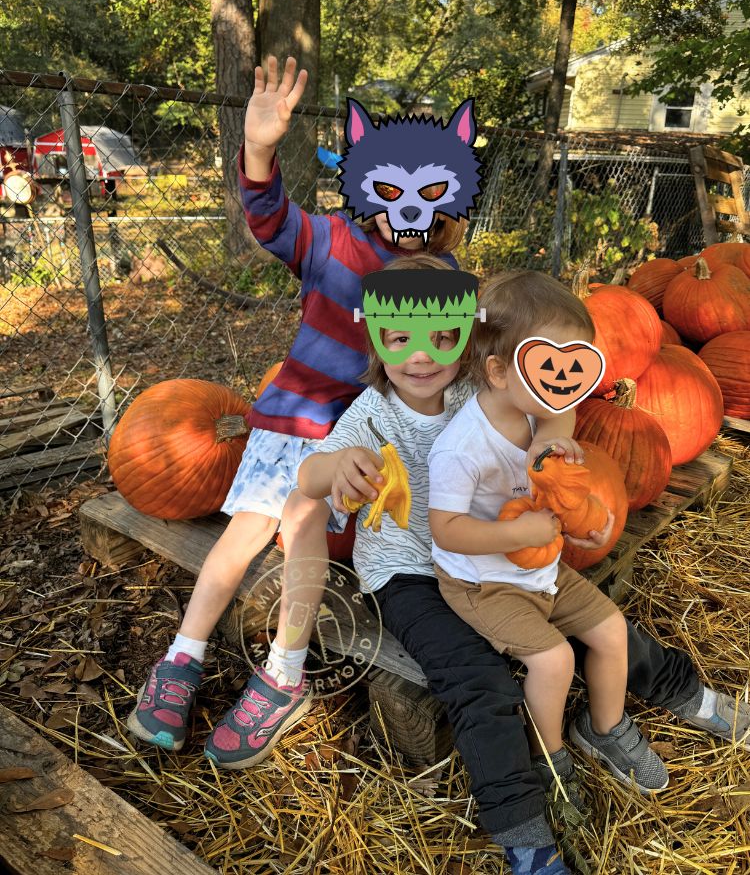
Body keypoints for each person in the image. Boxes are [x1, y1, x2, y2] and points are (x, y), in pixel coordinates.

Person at [295, 257, 749, 875]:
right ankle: (526, 832)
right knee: (478, 680)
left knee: (599, 622)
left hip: (504, 555)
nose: (423, 356)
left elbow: (553, 401)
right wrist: (339, 467)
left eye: (444, 337)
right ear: (376, 337)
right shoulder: (370, 416)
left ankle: (679, 691)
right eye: (401, 338)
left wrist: (547, 440)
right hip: (410, 573)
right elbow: (310, 474)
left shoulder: (477, 388)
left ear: (472, 340)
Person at [126, 56, 468, 766]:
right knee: (243, 532)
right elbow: (270, 217)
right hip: (290, 419)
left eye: (433, 192)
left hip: (359, 445)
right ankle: (181, 659)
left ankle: (282, 677)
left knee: (300, 522)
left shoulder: (444, 279)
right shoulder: (332, 242)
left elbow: (461, 360)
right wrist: (258, 149)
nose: (410, 210)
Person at [428, 270, 668, 802]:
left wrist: (576, 502)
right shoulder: (461, 448)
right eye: (550, 368)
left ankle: (602, 728)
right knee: (554, 658)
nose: (565, 385)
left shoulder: (540, 408)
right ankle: (550, 754)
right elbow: (444, 531)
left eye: (575, 367)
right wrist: (518, 531)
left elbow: (564, 419)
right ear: (496, 371)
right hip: (481, 582)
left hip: (541, 567)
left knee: (611, 632)